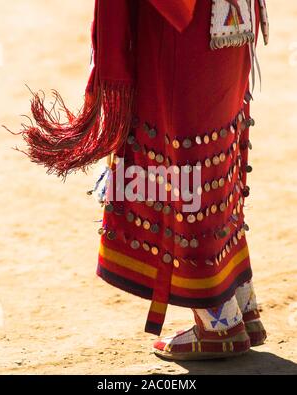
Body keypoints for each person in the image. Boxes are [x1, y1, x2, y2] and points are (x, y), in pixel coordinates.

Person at [18, 0, 269, 361]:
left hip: (184, 31)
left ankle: (219, 323)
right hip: (228, 20)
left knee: (183, 163)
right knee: (211, 155)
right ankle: (239, 301)